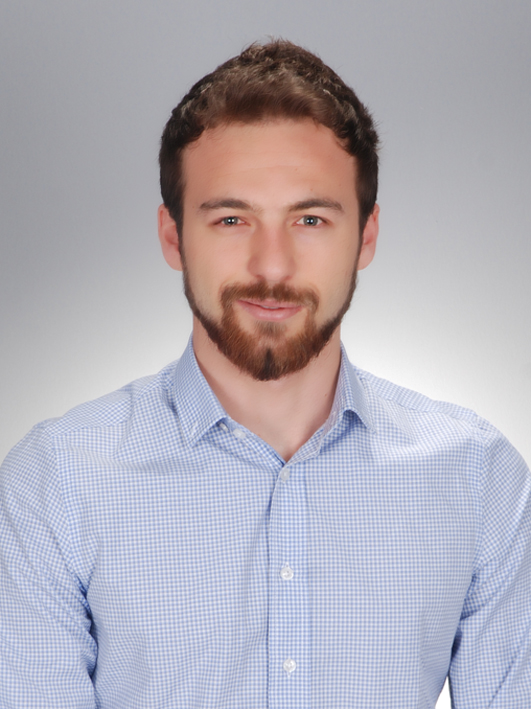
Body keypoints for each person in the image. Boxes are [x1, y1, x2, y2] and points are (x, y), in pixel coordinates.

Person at [0, 39, 529, 709]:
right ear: (173, 236)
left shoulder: (478, 479)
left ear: (366, 237)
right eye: (231, 218)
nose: (271, 265)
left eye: (310, 218)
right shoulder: (55, 484)